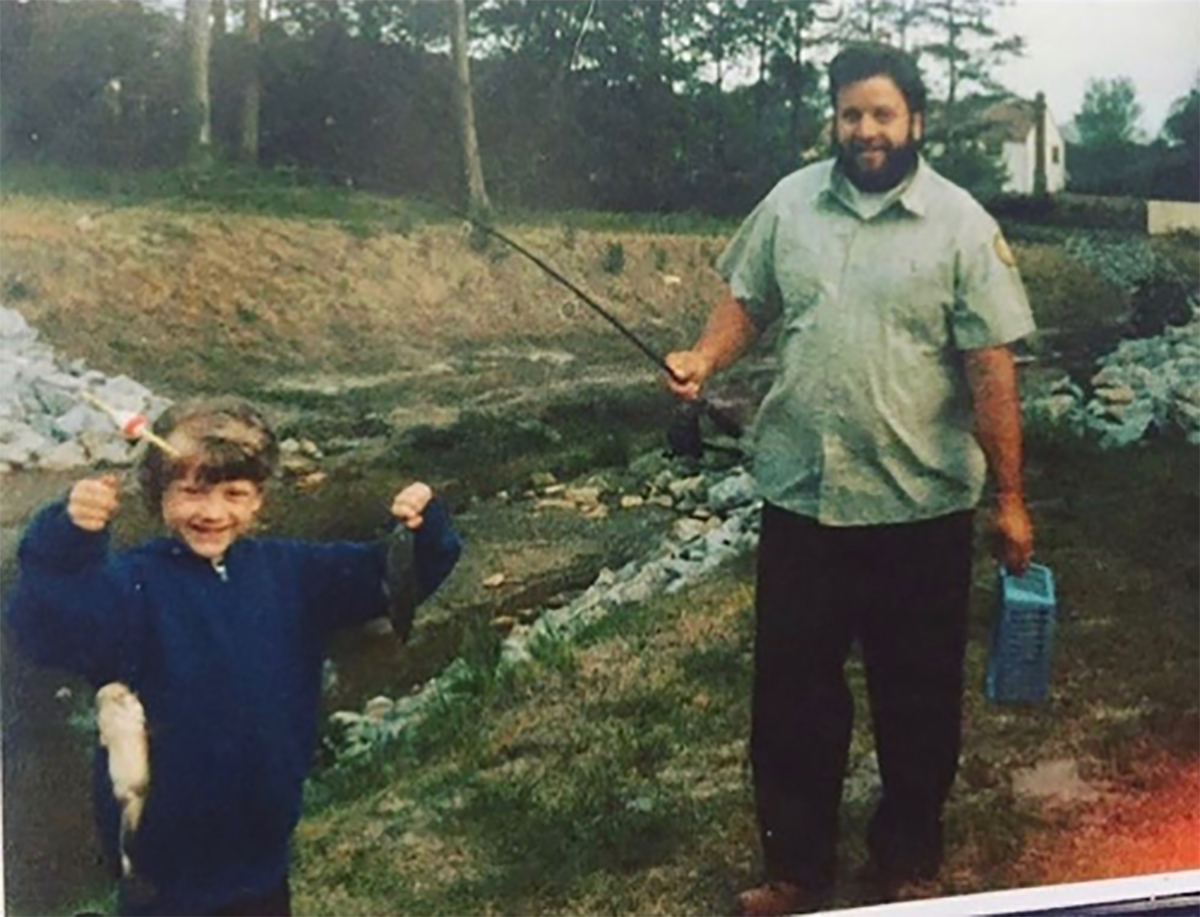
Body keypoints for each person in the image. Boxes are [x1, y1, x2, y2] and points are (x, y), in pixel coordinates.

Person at [665, 42, 1035, 917]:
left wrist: (1012, 501)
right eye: (850, 115)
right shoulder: (790, 205)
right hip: (803, 498)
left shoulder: (962, 226)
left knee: (917, 697)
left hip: (922, 507)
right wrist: (702, 356)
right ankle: (797, 870)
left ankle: (908, 859)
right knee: (791, 702)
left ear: (915, 121)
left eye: (882, 114)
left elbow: (991, 372)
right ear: (832, 120)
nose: (865, 131)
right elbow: (748, 300)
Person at [6, 397, 462, 917]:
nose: (212, 511)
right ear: (159, 497)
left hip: (263, 861)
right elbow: (42, 629)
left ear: (258, 501)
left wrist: (423, 528)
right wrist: (65, 543)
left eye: (234, 493)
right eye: (192, 491)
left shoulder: (293, 574)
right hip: (161, 877)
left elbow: (390, 579)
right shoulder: (128, 584)